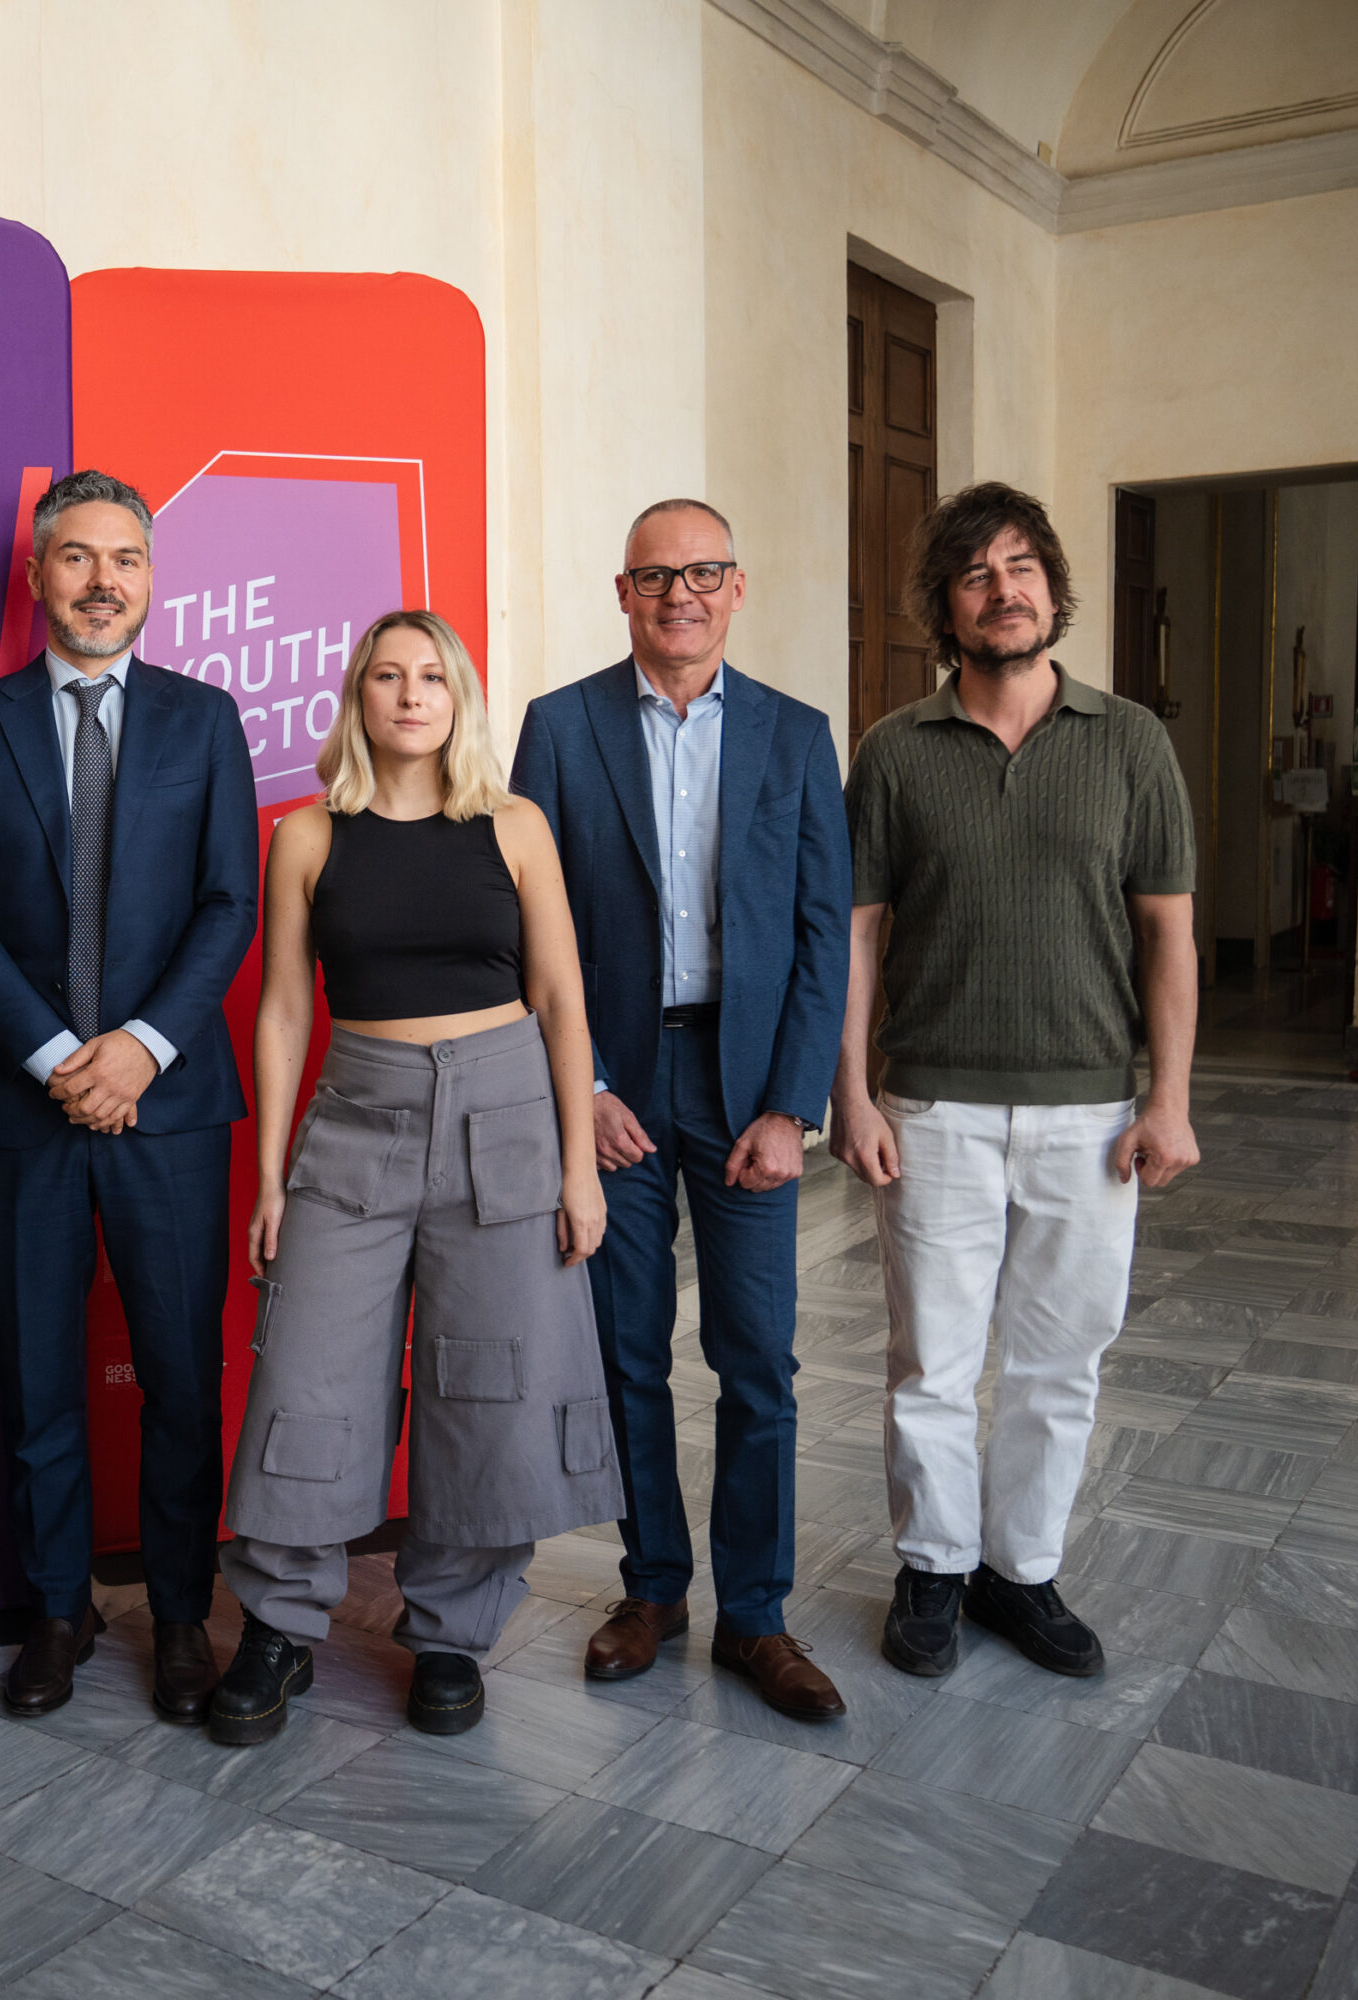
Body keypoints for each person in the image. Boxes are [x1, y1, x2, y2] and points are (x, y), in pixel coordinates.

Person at [215, 611, 616, 1745]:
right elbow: (285, 1009)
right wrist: (271, 1179)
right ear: (358, 695)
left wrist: (580, 1173)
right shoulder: (307, 832)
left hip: (507, 1121)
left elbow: (562, 1006)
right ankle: (280, 1628)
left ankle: (450, 1633)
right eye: (387, 674)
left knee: (489, 1382)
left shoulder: (514, 825)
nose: (408, 693)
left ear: (460, 697)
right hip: (355, 1119)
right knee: (309, 1378)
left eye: (430, 675)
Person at [832, 481, 1200, 1682]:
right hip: (931, 1105)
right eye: (978, 573)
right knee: (930, 1358)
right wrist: (852, 1092)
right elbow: (858, 935)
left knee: (1060, 1355)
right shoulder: (894, 750)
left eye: (1022, 565)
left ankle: (1021, 1569)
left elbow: (1168, 936)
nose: (1006, 589)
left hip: (1091, 1113)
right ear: (947, 606)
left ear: (1053, 584)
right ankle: (935, 1567)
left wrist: (1171, 1100)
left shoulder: (1131, 740)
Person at [0, 469, 260, 1722]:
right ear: (36, 576)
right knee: (37, 1382)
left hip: (170, 1109)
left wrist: (142, 1049)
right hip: (25, 1109)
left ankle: (179, 1614)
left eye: (125, 557)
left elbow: (232, 902)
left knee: (178, 1377)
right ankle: (55, 1611)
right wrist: (61, 1052)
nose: (102, 578)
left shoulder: (204, 717)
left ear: (153, 580)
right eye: (77, 557)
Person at [509, 499, 853, 1722]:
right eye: (658, 577)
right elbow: (529, 932)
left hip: (747, 1086)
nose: (682, 595)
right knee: (624, 1353)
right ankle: (651, 1585)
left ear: (737, 587)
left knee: (757, 1359)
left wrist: (792, 1104)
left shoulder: (799, 735)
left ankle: (755, 1614)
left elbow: (824, 936)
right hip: (621, 1092)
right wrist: (586, 1086)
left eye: (704, 573)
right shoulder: (559, 729)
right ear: (624, 593)